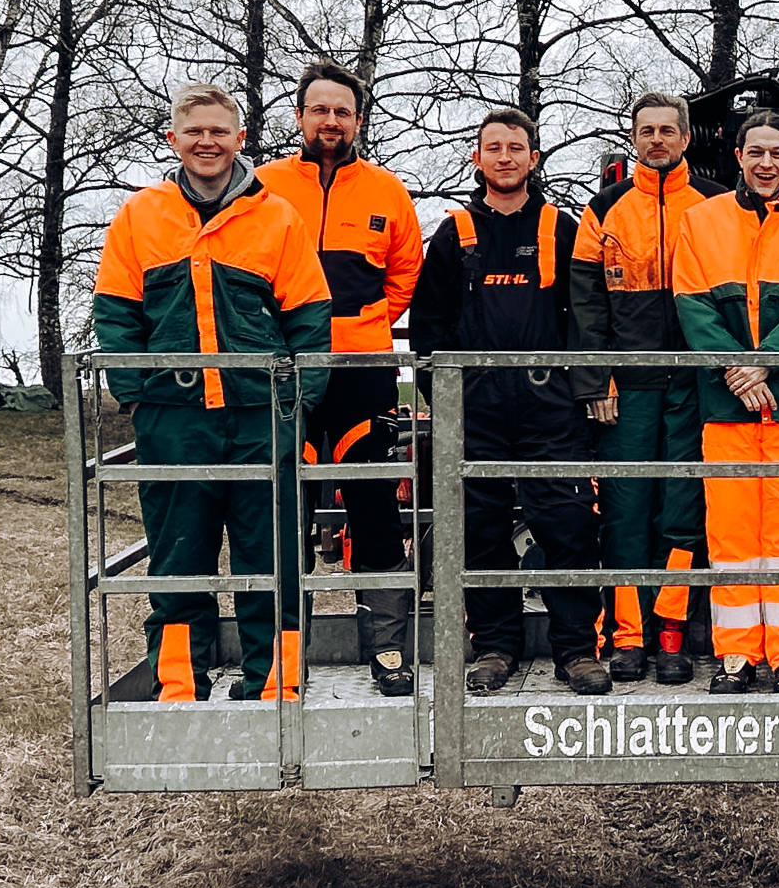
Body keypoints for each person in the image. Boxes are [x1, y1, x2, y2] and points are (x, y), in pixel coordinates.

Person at [93, 83, 331, 702]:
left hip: (259, 416)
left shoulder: (276, 216)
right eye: (194, 131)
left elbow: (309, 319)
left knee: (271, 554)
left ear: (240, 139)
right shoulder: (140, 216)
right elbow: (117, 317)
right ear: (173, 139)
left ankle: (277, 684)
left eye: (219, 131)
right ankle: (179, 684)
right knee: (177, 556)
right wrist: (138, 396)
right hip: (173, 419)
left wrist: (296, 404)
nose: (207, 142)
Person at [407, 107, 610, 696]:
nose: (504, 157)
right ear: (477, 158)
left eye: (515, 147)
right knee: (478, 526)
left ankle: (577, 649)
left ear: (533, 158)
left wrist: (582, 388)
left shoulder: (562, 227)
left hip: (551, 403)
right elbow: (428, 328)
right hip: (477, 406)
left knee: (568, 523)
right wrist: (450, 397)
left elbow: (586, 316)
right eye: (492, 147)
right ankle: (495, 645)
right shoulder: (454, 234)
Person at [257, 62, 424, 696]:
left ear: (357, 120)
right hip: (282, 371)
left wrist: (367, 323)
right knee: (279, 509)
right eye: (318, 110)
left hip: (364, 370)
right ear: (299, 117)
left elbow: (405, 276)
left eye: (342, 111)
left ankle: (386, 651)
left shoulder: (387, 190)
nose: (330, 121)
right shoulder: (262, 187)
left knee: (375, 504)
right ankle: (282, 653)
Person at [672, 111, 779, 694]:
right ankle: (737, 657)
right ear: (739, 157)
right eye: (756, 152)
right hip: (726, 403)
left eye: (777, 152)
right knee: (730, 535)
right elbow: (692, 306)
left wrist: (762, 362)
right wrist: (740, 374)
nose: (766, 162)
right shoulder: (701, 221)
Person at [568, 93, 725, 685]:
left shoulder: (715, 203)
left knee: (682, 513)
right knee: (625, 512)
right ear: (634, 138)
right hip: (626, 386)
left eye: (668, 131)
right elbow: (585, 305)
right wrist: (594, 378)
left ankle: (671, 633)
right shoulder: (604, 208)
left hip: (693, 382)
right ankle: (626, 637)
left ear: (685, 138)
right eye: (647, 131)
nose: (657, 140)